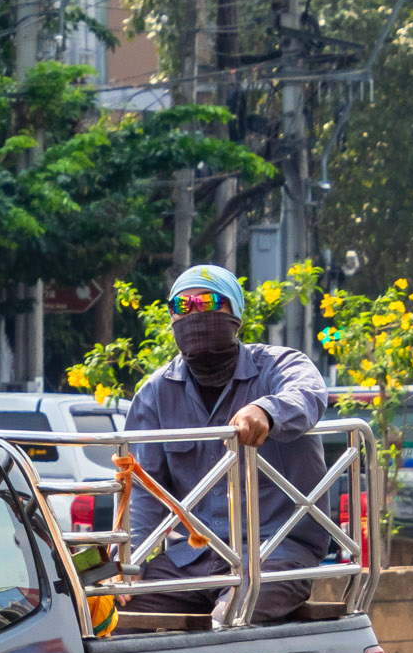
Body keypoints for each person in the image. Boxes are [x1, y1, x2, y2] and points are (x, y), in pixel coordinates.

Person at [122, 264, 330, 623]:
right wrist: (129, 562)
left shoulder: (278, 366)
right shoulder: (156, 394)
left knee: (231, 617)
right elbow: (144, 490)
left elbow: (309, 393)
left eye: (207, 302)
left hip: (275, 553)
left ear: (235, 312)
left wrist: (266, 411)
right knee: (114, 617)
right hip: (194, 559)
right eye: (181, 307)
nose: (194, 314)